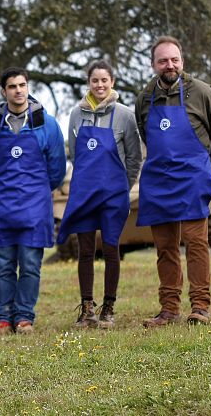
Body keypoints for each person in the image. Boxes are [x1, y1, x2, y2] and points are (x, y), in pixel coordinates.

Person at [135, 36, 211, 327]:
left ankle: (200, 306)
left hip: (191, 179)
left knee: (196, 243)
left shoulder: (201, 92)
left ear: (182, 62)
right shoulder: (145, 97)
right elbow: (144, 132)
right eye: (163, 60)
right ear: (153, 65)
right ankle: (169, 309)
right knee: (165, 248)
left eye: (174, 59)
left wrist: (199, 162)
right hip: (158, 181)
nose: (169, 65)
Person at [0, 67, 66, 336]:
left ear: (27, 87)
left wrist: (38, 189)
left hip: (36, 206)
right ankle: (3, 318)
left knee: (29, 264)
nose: (18, 90)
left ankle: (25, 317)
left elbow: (57, 168)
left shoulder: (46, 124)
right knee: (4, 265)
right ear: (4, 92)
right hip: (3, 205)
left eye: (22, 85)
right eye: (12, 86)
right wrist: (8, 186)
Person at [57, 59, 142, 329]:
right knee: (85, 250)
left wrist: (122, 188)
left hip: (113, 196)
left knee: (110, 248)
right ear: (88, 83)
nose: (100, 85)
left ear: (112, 82)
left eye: (104, 80)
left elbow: (134, 158)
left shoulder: (125, 116)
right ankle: (86, 307)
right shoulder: (75, 114)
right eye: (95, 80)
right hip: (84, 193)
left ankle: (108, 307)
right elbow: (74, 153)